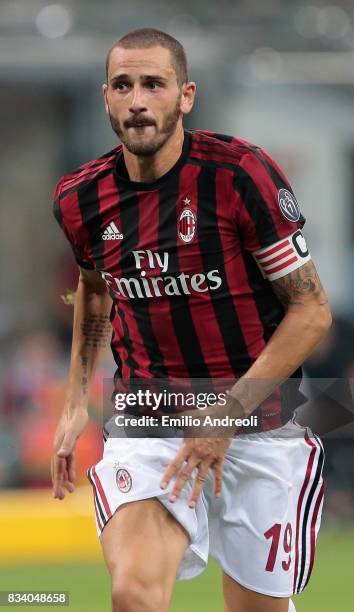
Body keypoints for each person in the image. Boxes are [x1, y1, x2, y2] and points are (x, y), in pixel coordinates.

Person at [51, 28, 332, 612]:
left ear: (186, 96)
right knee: (133, 593)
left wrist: (224, 416)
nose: (137, 101)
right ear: (106, 97)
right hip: (149, 415)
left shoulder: (239, 175)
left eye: (154, 84)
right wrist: (77, 398)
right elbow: (96, 293)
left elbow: (311, 312)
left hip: (259, 419)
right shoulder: (80, 200)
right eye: (123, 85)